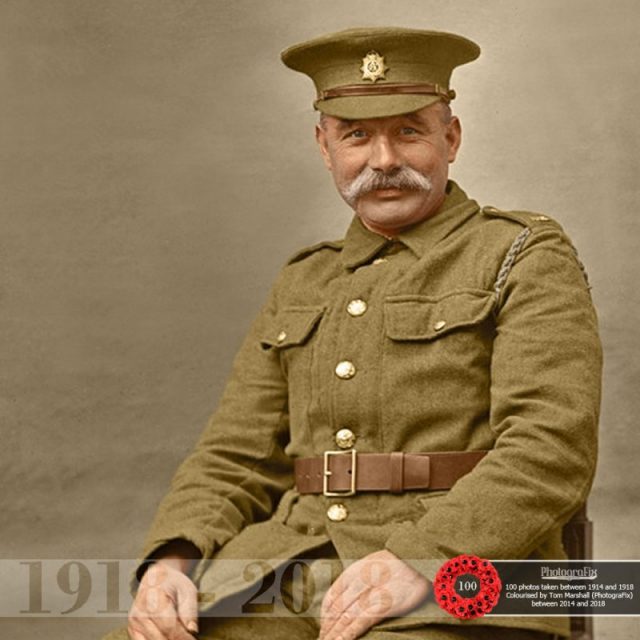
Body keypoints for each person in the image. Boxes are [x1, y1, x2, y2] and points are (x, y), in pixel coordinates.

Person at [105, 27, 602, 640]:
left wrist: (419, 559)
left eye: (410, 131)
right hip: (292, 567)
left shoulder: (521, 252)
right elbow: (235, 455)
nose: (384, 160)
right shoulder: (304, 279)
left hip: (467, 578)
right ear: (324, 146)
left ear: (451, 137)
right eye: (357, 135)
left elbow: (549, 451)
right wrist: (171, 561)